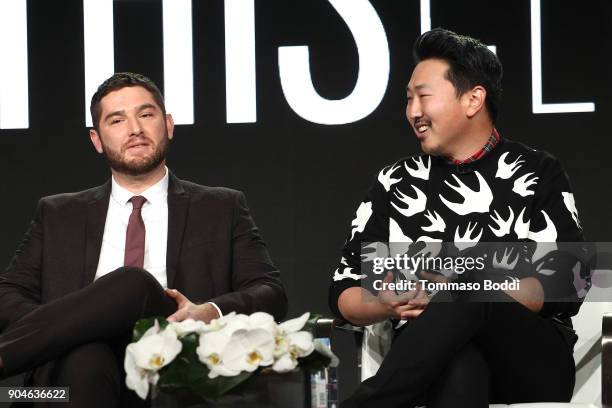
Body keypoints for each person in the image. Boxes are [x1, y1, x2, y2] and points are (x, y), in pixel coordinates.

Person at [328, 28, 589, 407]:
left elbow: (570, 280)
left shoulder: (536, 170)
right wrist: (384, 304)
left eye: (423, 97)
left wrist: (469, 288)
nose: (413, 112)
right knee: (459, 366)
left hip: (530, 362)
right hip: (430, 362)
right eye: (408, 100)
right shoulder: (395, 181)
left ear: (473, 99)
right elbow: (344, 289)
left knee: (470, 286)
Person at [0, 72, 287, 407]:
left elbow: (270, 293)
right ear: (96, 140)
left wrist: (208, 311)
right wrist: (71, 328)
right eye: (117, 120)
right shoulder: (57, 212)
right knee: (86, 357)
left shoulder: (221, 206)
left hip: (177, 363)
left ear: (168, 125)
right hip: (70, 375)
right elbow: (7, 293)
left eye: (146, 115)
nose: (134, 129)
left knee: (134, 283)